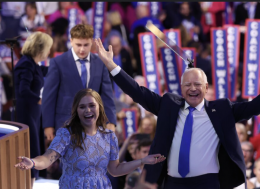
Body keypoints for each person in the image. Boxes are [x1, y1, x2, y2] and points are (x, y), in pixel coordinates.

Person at [94, 38, 260, 189]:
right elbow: (136, 92)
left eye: (197, 84)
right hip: (172, 183)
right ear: (181, 88)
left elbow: (255, 107)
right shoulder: (168, 105)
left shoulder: (222, 109)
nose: (193, 88)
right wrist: (111, 64)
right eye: (188, 85)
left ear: (207, 87)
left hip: (208, 183)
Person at [15, 89, 166, 188]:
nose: (88, 110)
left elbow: (115, 170)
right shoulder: (66, 134)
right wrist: (33, 162)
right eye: (82, 107)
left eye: (92, 105)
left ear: (99, 107)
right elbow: (47, 159)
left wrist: (142, 161)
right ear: (76, 111)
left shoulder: (109, 136)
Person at [42, 24, 117, 143]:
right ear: (71, 41)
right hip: (65, 124)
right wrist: (48, 125)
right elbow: (49, 96)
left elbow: (107, 95)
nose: (82, 49)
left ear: (91, 42)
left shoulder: (100, 63)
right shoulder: (58, 62)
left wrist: (111, 121)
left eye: (86, 45)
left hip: (94, 125)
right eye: (78, 45)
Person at [14, 31, 53, 187]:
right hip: (26, 114)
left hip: (34, 114)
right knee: (31, 149)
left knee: (35, 148)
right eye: (48, 48)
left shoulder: (34, 64)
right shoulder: (26, 63)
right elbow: (23, 90)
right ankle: (28, 185)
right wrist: (40, 100)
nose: (49, 52)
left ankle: (31, 184)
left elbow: (48, 71)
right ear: (41, 49)